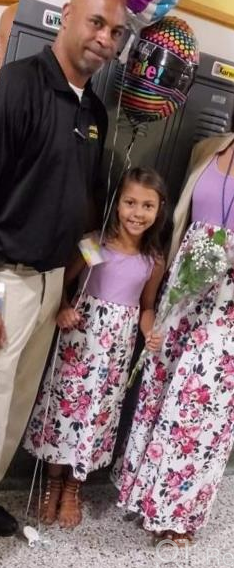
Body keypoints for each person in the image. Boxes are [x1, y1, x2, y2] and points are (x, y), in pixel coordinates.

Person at [115, 59, 234, 545]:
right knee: (160, 392)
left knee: (202, 409)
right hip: (183, 289)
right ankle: (142, 495)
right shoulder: (208, 149)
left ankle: (179, 517)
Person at [0, 0, 126, 537]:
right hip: (7, 279)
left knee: (14, 409)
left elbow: (84, 216)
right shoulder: (16, 86)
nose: (105, 38)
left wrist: (79, 277)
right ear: (68, 15)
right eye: (97, 23)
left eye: (117, 32)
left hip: (53, 283)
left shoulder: (93, 113)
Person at [24, 167, 167, 529]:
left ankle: (74, 486)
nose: (138, 213)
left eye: (147, 206)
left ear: (159, 210)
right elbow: (62, 285)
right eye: (130, 203)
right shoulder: (93, 243)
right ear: (116, 204)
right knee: (64, 413)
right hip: (79, 347)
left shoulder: (154, 261)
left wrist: (151, 332)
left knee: (94, 419)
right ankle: (53, 483)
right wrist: (63, 308)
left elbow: (147, 307)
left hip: (115, 357)